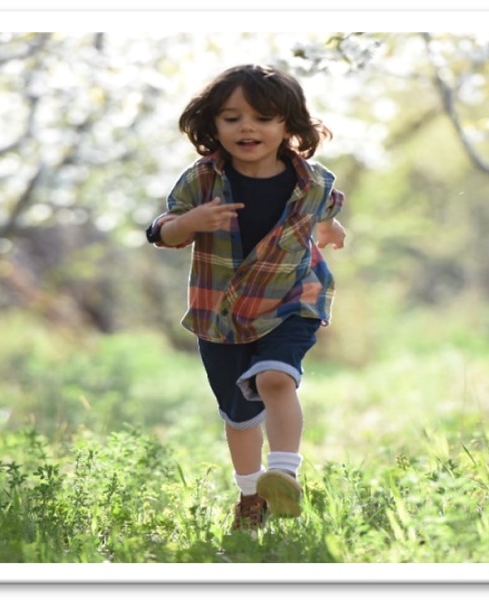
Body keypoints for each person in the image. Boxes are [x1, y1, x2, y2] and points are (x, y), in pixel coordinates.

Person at [146, 64, 347, 531]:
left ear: (288, 126)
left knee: (276, 380)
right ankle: (251, 495)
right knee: (239, 414)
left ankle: (284, 476)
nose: (247, 128)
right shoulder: (202, 180)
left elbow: (325, 215)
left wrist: (332, 231)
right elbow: (161, 231)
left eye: (263, 117)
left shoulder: (314, 182)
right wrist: (191, 223)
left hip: (292, 299)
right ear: (212, 126)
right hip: (222, 312)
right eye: (232, 118)